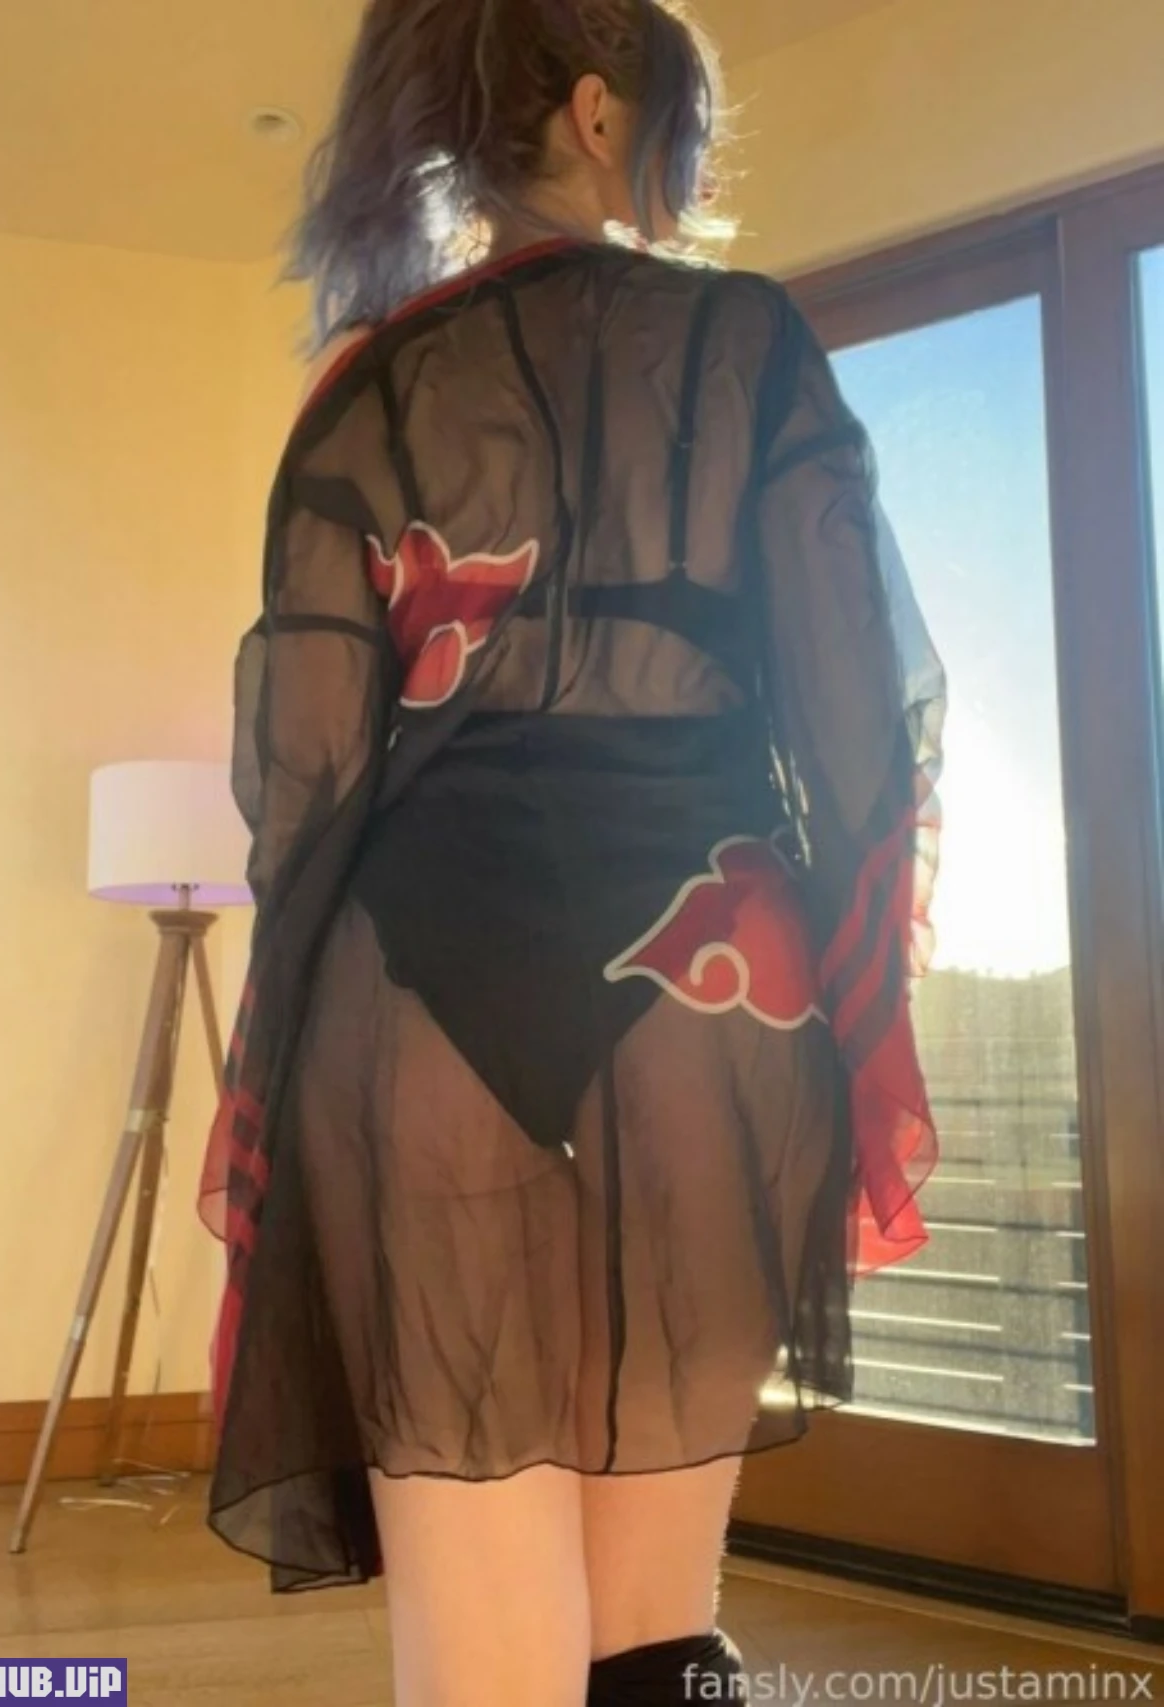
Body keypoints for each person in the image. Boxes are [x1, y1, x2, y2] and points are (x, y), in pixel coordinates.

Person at [197, 1, 947, 1702]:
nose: (686, 178)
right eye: (681, 137)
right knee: (653, 1633)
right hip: (710, 978)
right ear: (603, 116)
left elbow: (304, 790)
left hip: (418, 997)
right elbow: (860, 726)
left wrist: (279, 1082)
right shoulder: (751, 344)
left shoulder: (367, 390)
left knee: (485, 1644)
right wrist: (864, 1016)